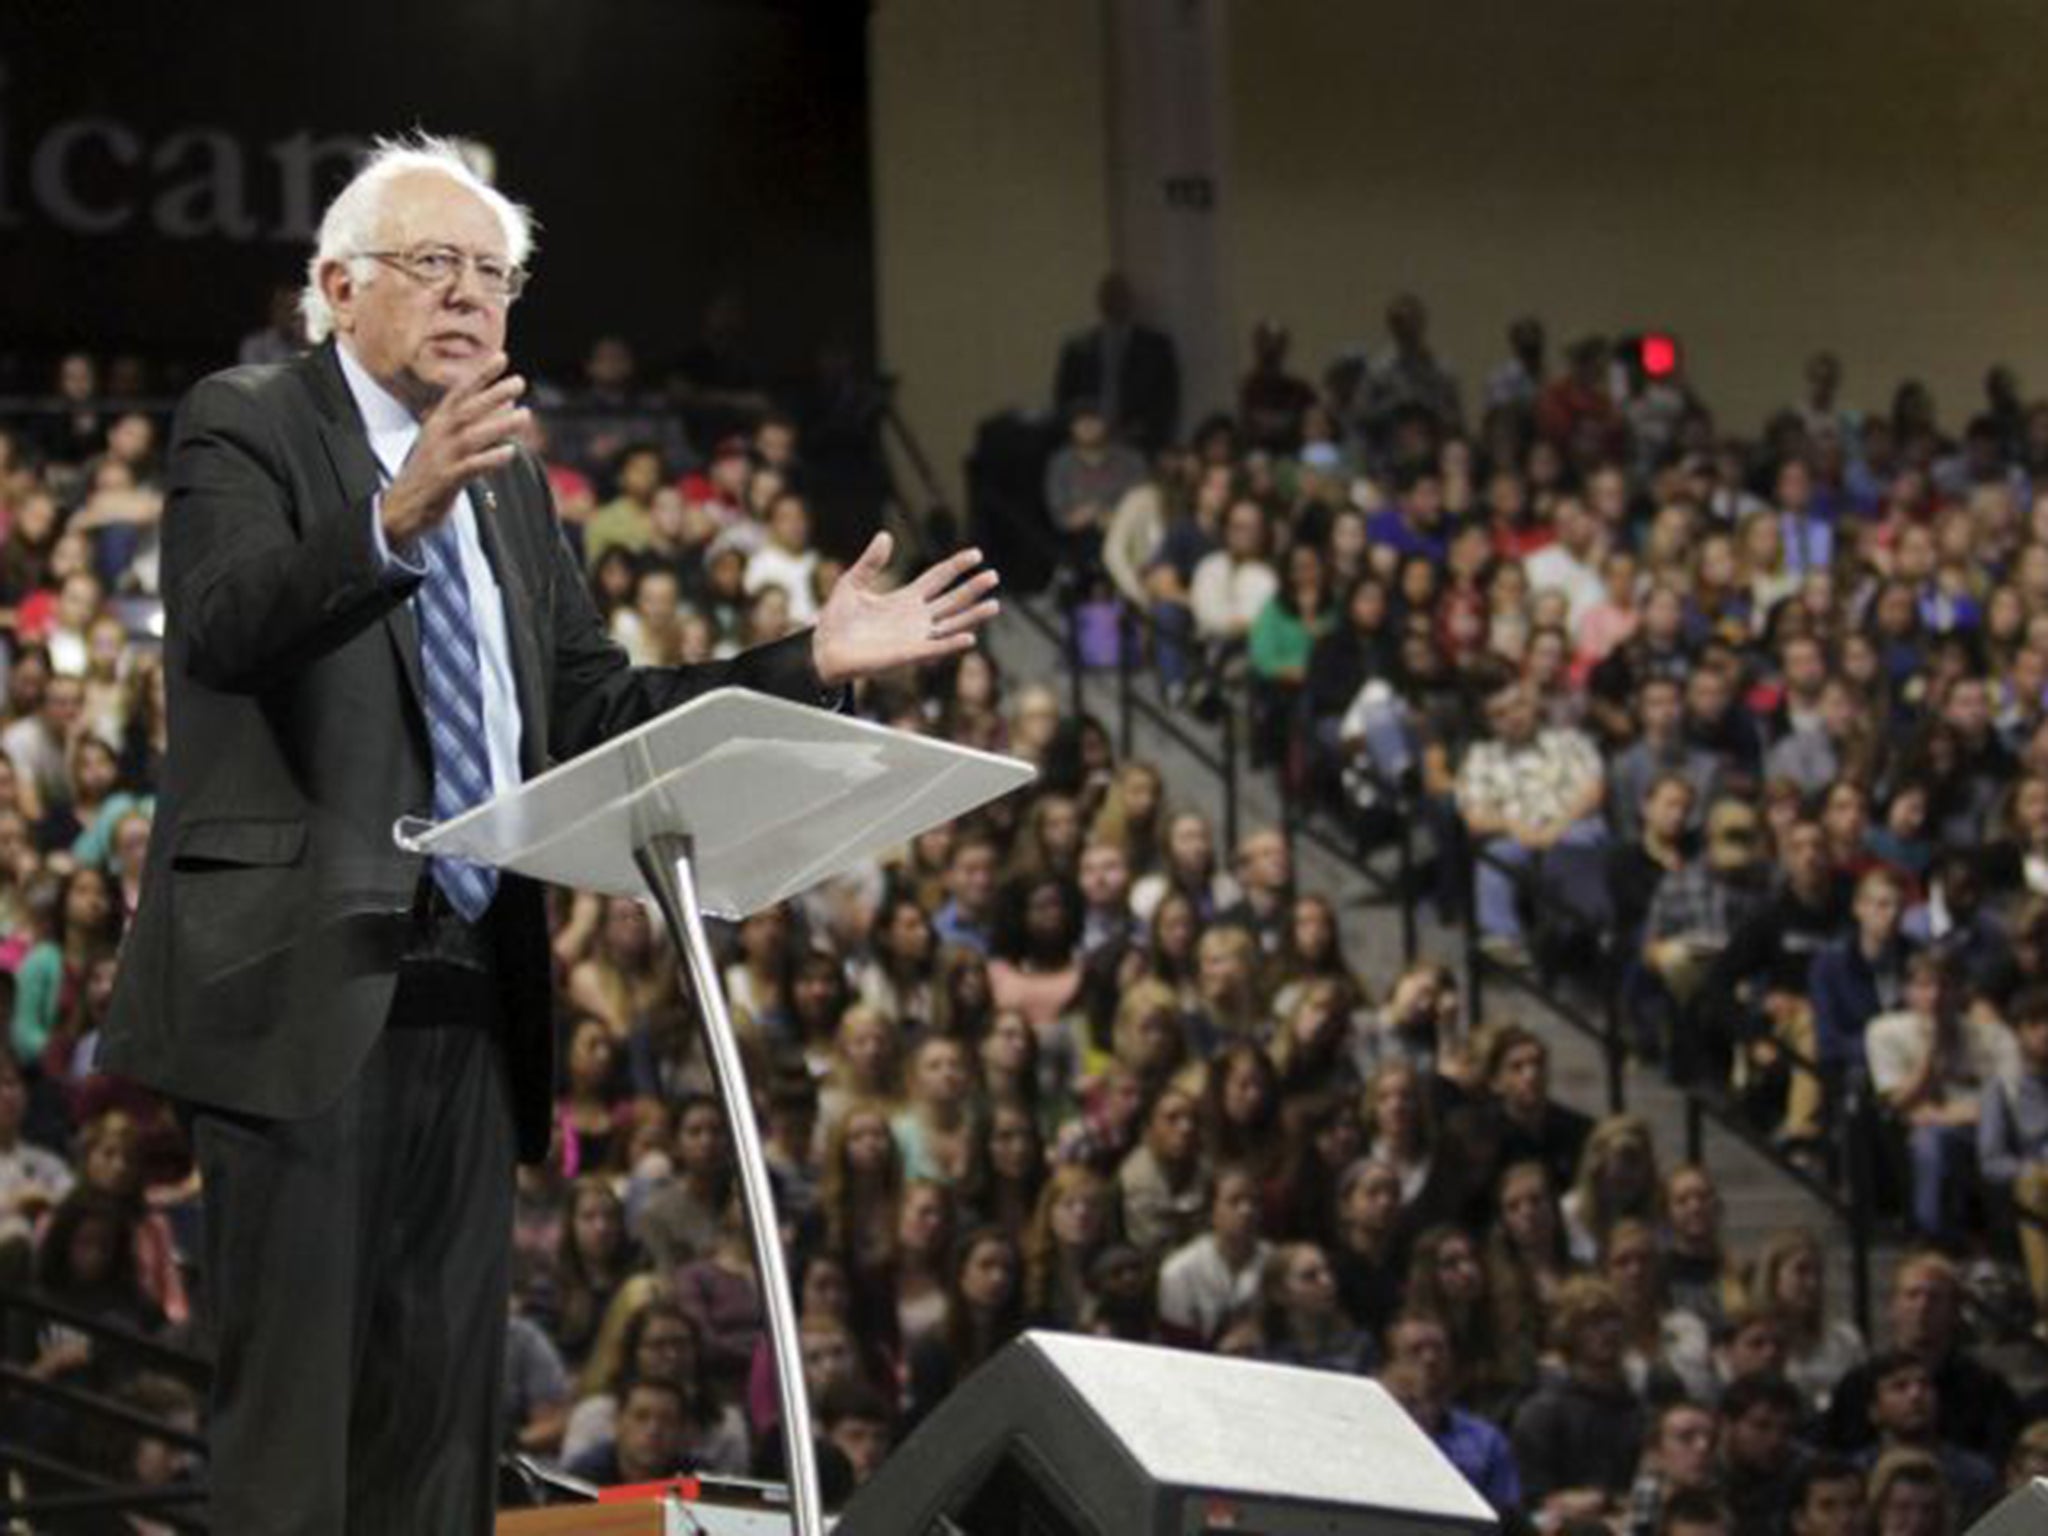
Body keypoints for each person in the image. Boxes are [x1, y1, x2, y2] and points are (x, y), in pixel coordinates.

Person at [99, 136, 1000, 1536]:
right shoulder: (251, 418)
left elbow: (593, 710)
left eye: (494, 276)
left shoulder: (514, 487)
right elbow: (225, 625)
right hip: (297, 986)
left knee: (437, 1445)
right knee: (298, 1440)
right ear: (337, 288)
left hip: (473, 990)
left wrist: (804, 658)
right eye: (434, 266)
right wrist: (393, 514)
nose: (470, 298)